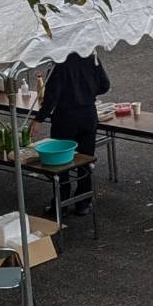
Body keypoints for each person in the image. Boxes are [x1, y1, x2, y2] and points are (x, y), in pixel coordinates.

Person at [33, 52, 109, 218]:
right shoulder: (91, 57)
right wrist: (89, 92)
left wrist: (38, 119)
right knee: (85, 159)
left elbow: (52, 95)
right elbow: (105, 85)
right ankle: (84, 203)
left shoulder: (59, 62)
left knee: (61, 163)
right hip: (88, 114)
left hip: (65, 117)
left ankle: (61, 203)